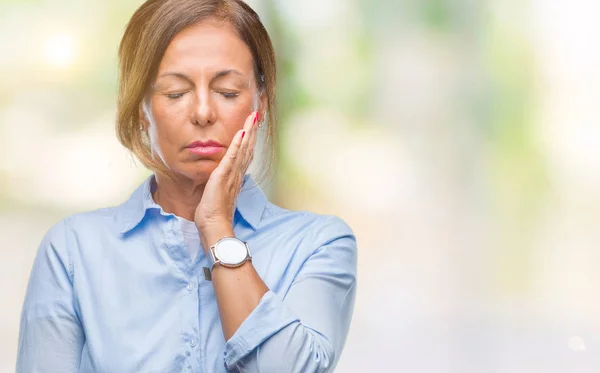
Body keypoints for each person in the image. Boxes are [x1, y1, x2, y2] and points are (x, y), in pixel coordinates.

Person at [16, 1, 357, 372]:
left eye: (227, 91)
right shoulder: (72, 251)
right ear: (141, 108)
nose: (203, 113)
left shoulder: (317, 244)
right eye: (176, 93)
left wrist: (217, 227)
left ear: (262, 99)